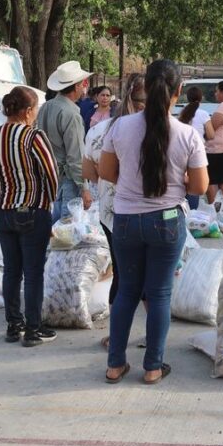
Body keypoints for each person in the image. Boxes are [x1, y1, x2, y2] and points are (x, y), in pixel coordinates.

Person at [100, 60, 208, 385]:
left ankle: (115, 365)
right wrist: (180, 179)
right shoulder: (188, 134)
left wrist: (131, 183)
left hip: (126, 221)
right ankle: (153, 367)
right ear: (178, 91)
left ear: (145, 86)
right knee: (159, 294)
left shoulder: (119, 127)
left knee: (126, 293)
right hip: (167, 221)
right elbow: (200, 187)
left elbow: (106, 173)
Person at [0, 86, 60, 347]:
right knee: (33, 271)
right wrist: (47, 204)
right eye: (36, 109)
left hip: (2, 208)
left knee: (11, 270)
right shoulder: (33, 136)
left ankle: (13, 325)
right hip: (32, 209)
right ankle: (33, 329)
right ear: (28, 111)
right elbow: (51, 174)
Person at [85, 74, 146, 348]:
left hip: (112, 214)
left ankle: (116, 337)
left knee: (122, 274)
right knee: (152, 276)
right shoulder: (159, 130)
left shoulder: (100, 130)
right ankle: (154, 338)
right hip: (152, 213)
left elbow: (88, 172)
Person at [37, 60, 93, 220]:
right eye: (82, 83)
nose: (84, 86)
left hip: (49, 174)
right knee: (66, 227)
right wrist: (84, 188)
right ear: (76, 86)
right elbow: (75, 156)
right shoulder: (71, 114)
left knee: (53, 224)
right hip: (68, 178)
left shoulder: (47, 106)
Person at [179, 86, 214, 209]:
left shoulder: (183, 112)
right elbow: (211, 134)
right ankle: (193, 212)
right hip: (198, 153)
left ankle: (184, 210)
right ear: (201, 98)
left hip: (182, 151)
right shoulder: (204, 114)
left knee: (185, 181)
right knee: (195, 182)